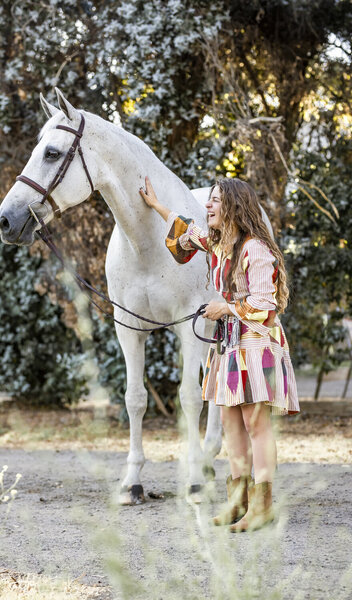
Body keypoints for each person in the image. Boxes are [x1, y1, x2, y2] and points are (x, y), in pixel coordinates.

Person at [139, 176, 300, 532]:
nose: (208, 206)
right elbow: (186, 228)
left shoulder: (255, 249)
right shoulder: (219, 245)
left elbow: (265, 304)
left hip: (257, 342)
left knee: (255, 424)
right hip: (229, 344)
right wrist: (157, 206)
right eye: (208, 200)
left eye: (215, 201)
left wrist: (224, 308)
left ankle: (263, 505)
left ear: (234, 207)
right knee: (230, 423)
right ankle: (238, 500)